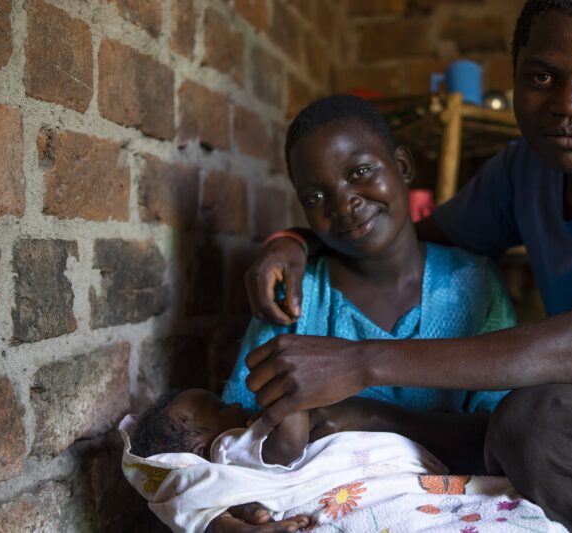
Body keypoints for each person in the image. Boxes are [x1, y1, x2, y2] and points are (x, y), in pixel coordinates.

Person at [238, 1, 572, 531]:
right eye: (543, 77)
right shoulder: (525, 168)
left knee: (537, 423)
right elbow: (397, 236)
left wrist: (361, 362)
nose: (570, 103)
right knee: (482, 425)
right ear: (515, 77)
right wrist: (297, 239)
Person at [208, 94, 518, 532]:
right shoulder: (297, 296)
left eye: (359, 172)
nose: (343, 202)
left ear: (403, 167)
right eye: (316, 194)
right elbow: (236, 440)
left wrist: (371, 417)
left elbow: (503, 436)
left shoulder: (472, 284)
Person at [122, 388, 448, 532]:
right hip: (409, 469)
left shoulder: (231, 468)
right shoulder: (227, 450)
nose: (235, 403)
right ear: (201, 449)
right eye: (220, 406)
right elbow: (292, 441)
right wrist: (289, 394)